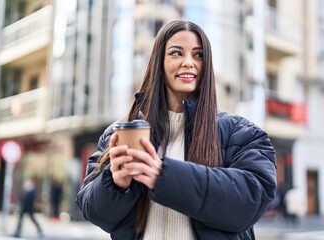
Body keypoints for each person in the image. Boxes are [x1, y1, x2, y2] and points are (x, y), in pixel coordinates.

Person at [75, 20, 277, 239]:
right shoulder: (120, 132)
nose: (188, 62)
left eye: (198, 55)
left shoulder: (242, 133)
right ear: (159, 62)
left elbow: (250, 201)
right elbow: (93, 210)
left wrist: (162, 176)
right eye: (176, 53)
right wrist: (115, 184)